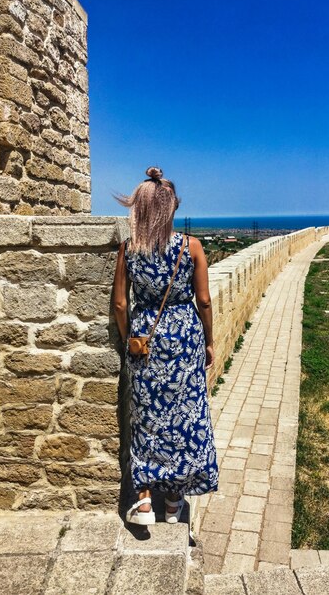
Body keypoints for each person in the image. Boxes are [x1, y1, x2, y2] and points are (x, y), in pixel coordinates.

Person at [113, 166, 219, 525]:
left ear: (139, 210)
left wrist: (132, 340)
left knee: (146, 419)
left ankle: (143, 502)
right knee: (182, 418)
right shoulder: (191, 247)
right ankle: (174, 504)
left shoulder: (129, 250)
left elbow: (119, 305)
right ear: (171, 208)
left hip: (146, 339)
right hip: (185, 340)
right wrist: (208, 341)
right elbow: (203, 301)